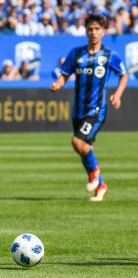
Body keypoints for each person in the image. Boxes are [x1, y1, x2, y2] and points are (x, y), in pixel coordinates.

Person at [50, 15, 128, 202]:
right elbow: (64, 74)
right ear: (85, 31)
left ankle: (94, 173)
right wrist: (58, 84)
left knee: (77, 142)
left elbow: (124, 75)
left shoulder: (110, 56)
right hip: (78, 110)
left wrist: (117, 94)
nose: (93, 33)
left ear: (103, 31)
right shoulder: (76, 54)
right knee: (84, 147)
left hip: (96, 110)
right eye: (90, 29)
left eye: (97, 29)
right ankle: (100, 185)